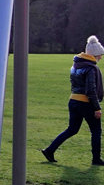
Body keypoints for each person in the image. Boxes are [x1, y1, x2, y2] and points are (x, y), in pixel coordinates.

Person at [41, 35, 104, 166]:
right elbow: (90, 90)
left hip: (73, 100)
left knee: (72, 129)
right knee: (96, 131)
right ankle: (96, 159)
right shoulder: (92, 68)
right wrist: (97, 108)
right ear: (95, 55)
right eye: (100, 55)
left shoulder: (75, 65)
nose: (101, 57)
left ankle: (49, 150)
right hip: (86, 103)